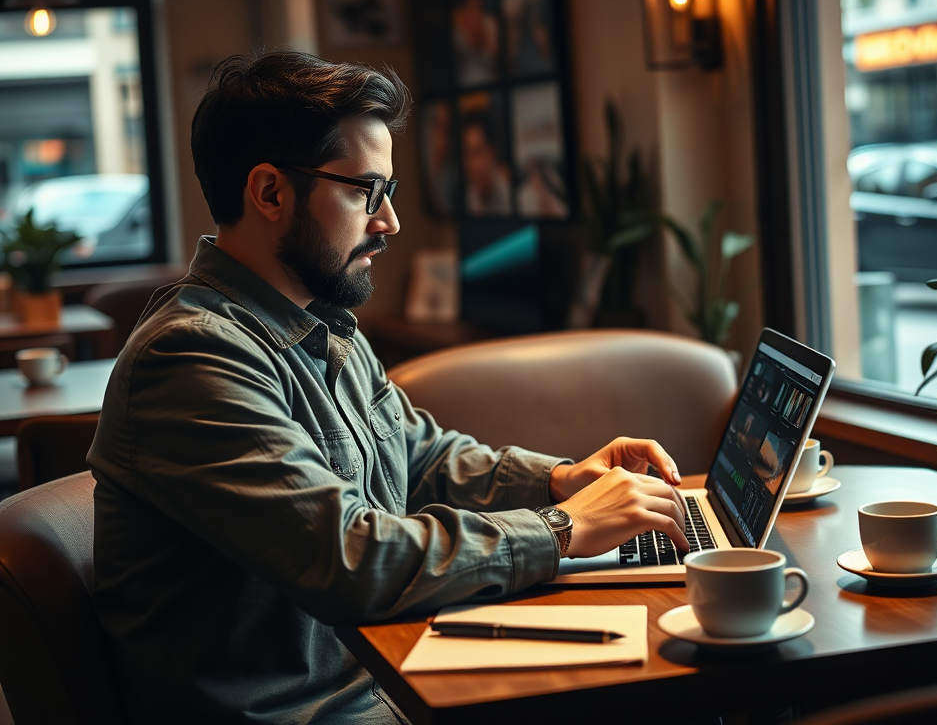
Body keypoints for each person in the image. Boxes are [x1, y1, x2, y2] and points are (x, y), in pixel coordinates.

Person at [88, 49, 690, 725]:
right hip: (317, 710)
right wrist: (563, 528)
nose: (389, 223)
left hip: (385, 674)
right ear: (269, 192)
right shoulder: (192, 354)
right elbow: (350, 560)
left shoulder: (323, 324)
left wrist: (561, 480)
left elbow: (423, 456)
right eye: (365, 192)